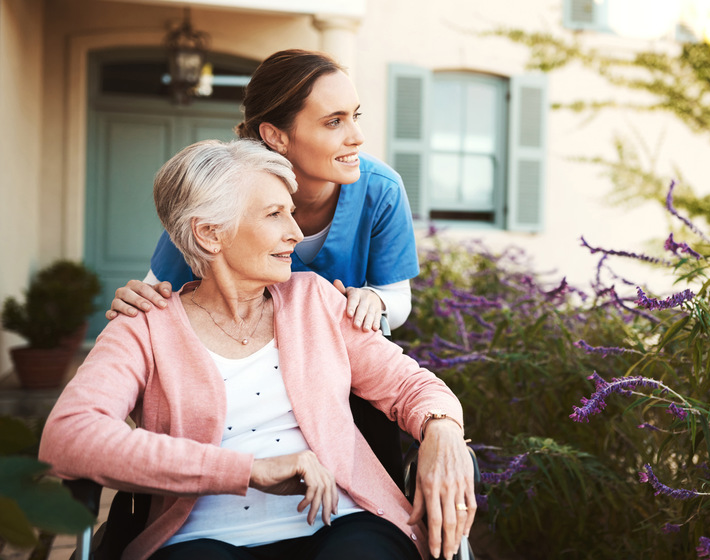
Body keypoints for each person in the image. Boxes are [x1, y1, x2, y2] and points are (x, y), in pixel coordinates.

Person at [39, 139, 476, 560]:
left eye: (291, 212)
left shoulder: (315, 301)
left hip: (345, 523)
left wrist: (441, 430)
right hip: (201, 538)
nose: (295, 232)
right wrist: (248, 470)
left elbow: (413, 387)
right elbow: (69, 436)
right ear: (210, 234)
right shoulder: (144, 325)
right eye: (274, 214)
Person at [109, 48, 419, 332]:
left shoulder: (382, 190)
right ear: (276, 136)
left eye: (355, 116)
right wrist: (138, 300)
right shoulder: (219, 189)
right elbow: (157, 289)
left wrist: (376, 300)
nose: (358, 136)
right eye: (334, 122)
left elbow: (396, 297)